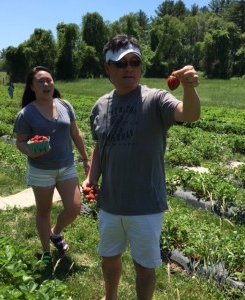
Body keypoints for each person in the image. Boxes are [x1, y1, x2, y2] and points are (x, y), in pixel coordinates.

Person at [82, 34, 200, 300]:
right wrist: (91, 177)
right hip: (111, 203)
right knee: (110, 257)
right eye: (121, 63)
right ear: (107, 69)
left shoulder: (155, 99)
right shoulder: (99, 107)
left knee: (144, 266)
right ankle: (110, 296)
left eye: (135, 62)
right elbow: (100, 146)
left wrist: (189, 88)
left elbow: (189, 114)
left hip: (146, 205)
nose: (129, 68)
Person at [13, 66, 90, 265]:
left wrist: (85, 158)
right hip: (41, 169)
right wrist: (30, 150)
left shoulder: (65, 105)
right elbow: (20, 141)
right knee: (44, 211)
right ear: (32, 86)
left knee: (74, 207)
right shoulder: (26, 114)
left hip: (66, 165)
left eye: (49, 80)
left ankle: (55, 233)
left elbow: (75, 133)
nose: (46, 84)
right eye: (40, 81)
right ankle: (46, 251)